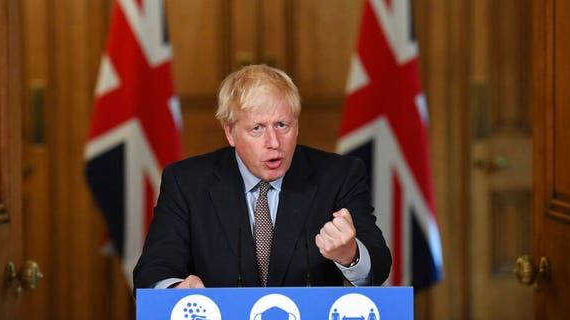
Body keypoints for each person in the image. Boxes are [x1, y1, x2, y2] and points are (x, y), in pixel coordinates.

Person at [133, 64, 391, 290]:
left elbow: (378, 268)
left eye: (282, 125)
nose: (273, 142)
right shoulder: (187, 182)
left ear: (297, 126)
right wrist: (176, 289)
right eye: (257, 129)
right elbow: (152, 272)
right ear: (230, 134)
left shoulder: (338, 176)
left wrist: (350, 255)